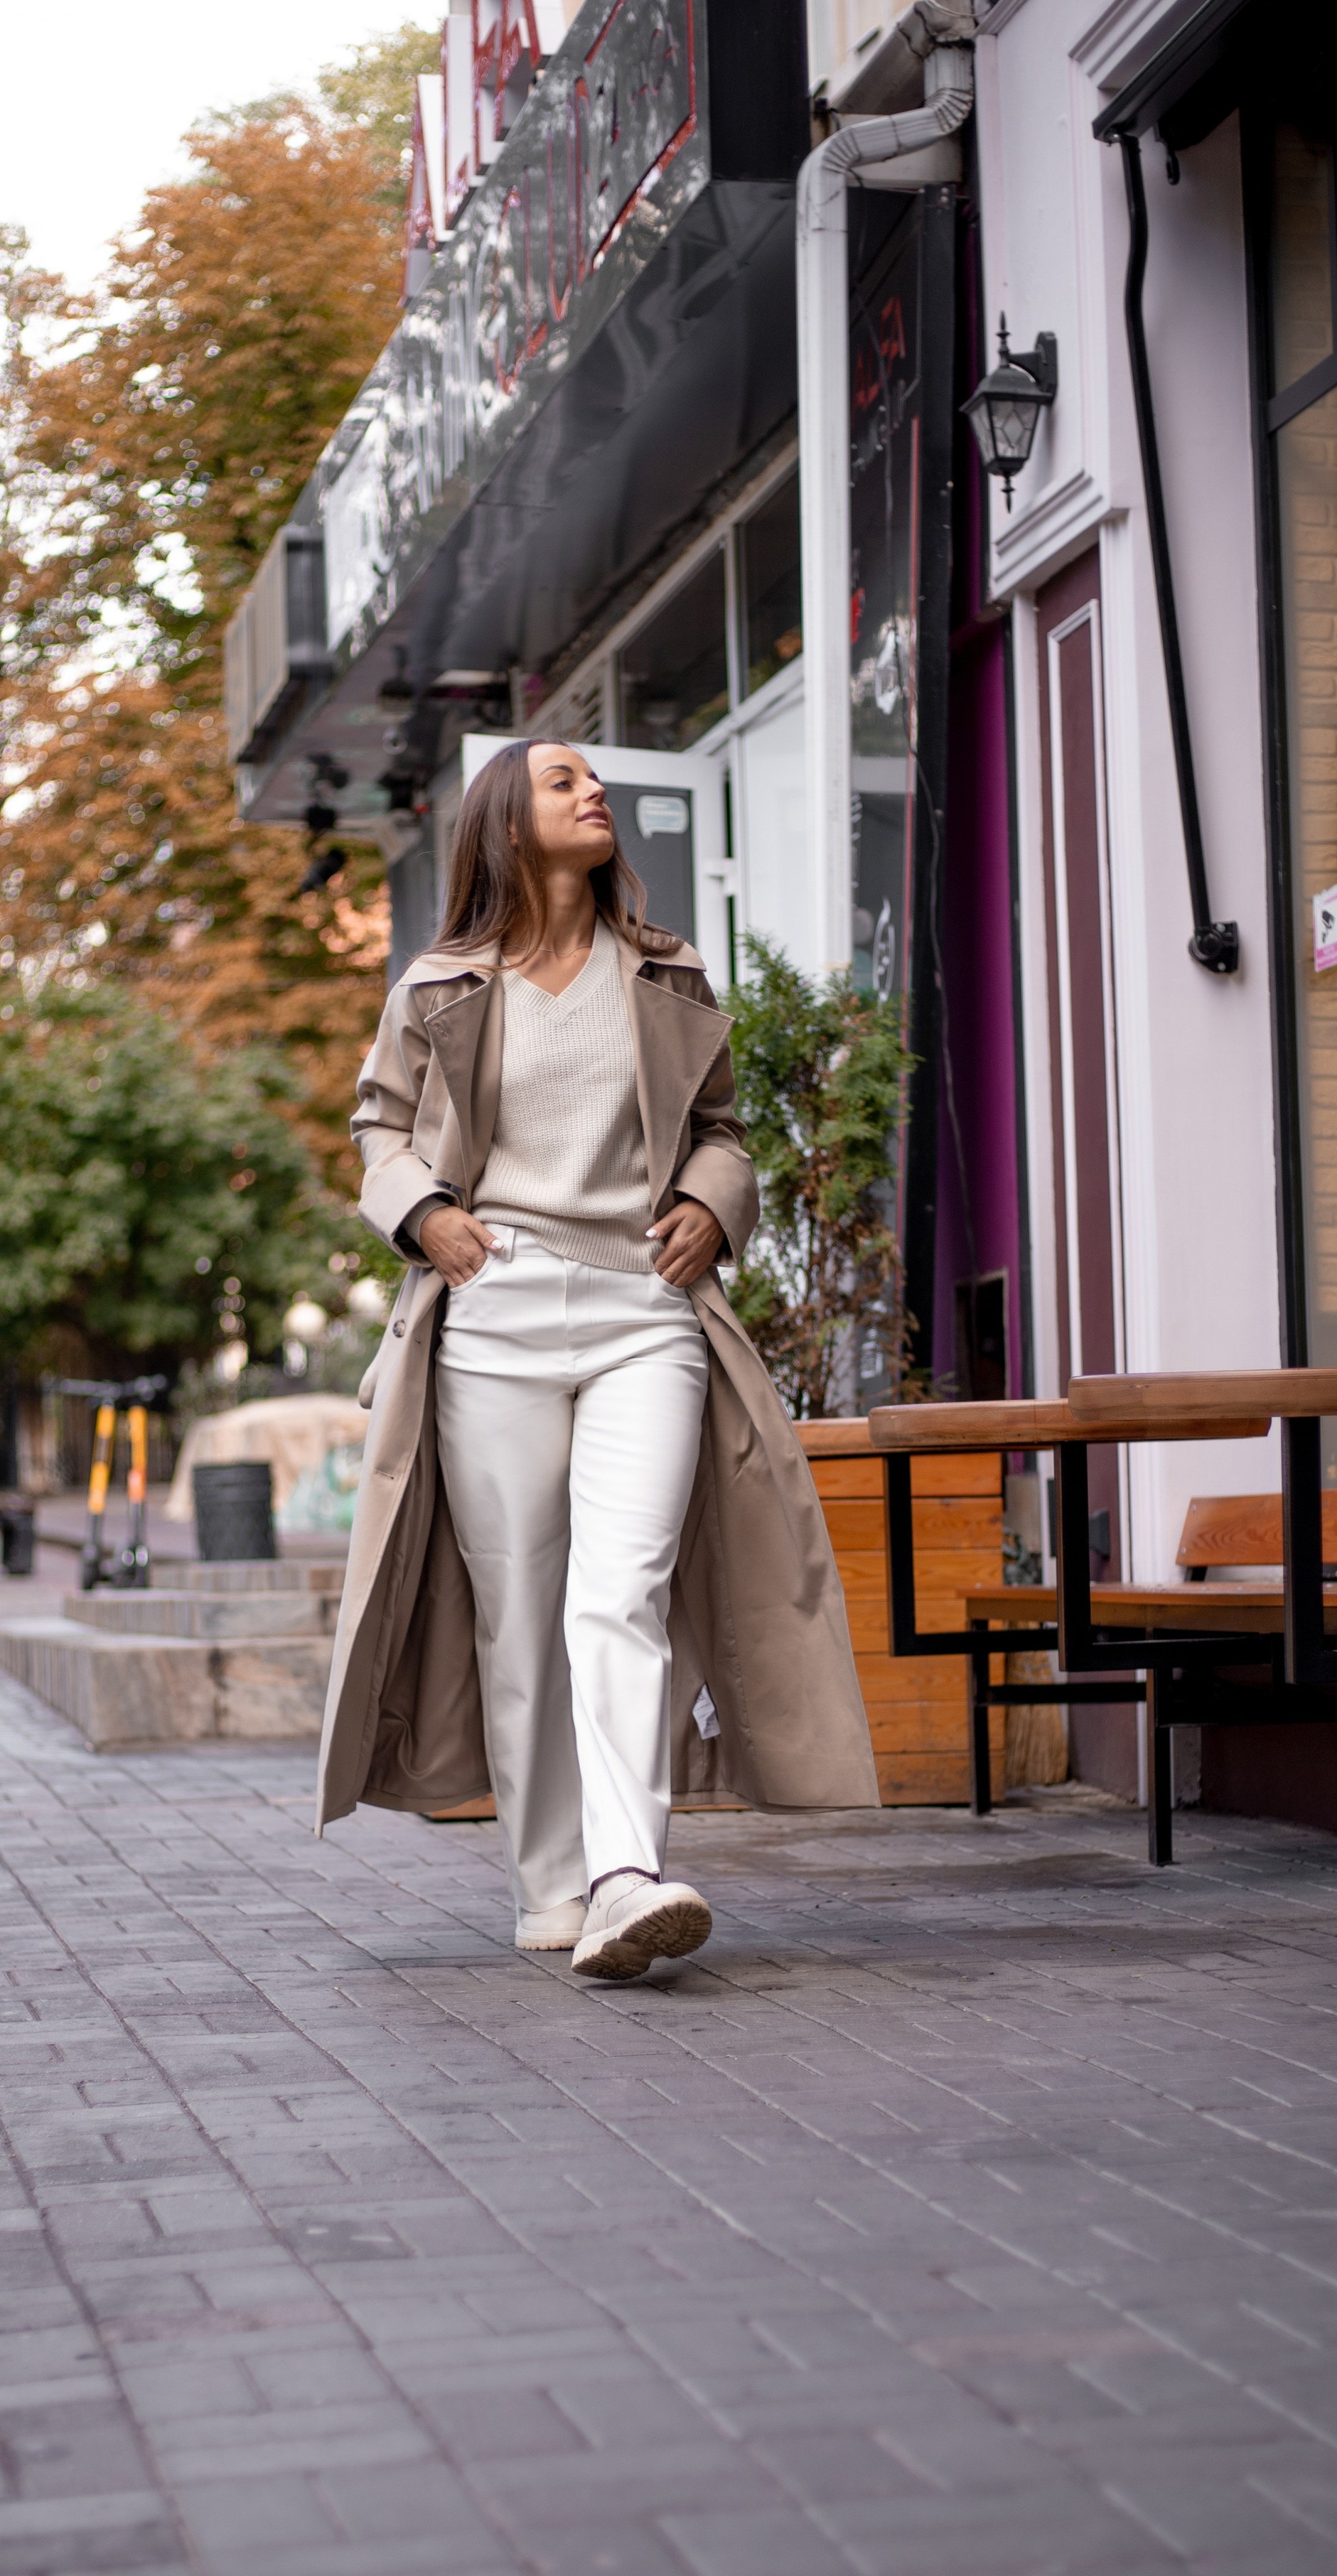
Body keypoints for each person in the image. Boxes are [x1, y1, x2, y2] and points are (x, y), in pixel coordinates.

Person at [314, 740, 879, 1979]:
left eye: (592, 778)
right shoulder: (443, 982)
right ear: (510, 825)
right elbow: (378, 1127)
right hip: (494, 1312)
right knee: (520, 1615)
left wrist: (713, 1202)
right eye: (562, 780)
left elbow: (723, 1129)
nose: (592, 792)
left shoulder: (664, 970)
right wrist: (426, 1213)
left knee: (620, 1589)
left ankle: (630, 1871)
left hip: (645, 1310)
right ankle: (550, 1887)